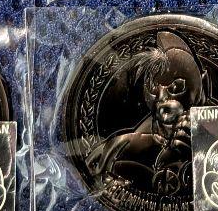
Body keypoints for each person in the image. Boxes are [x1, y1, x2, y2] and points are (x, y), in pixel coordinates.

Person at [88, 31, 209, 197]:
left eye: (176, 87)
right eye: (153, 90)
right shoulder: (119, 148)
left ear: (204, 84)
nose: (162, 100)